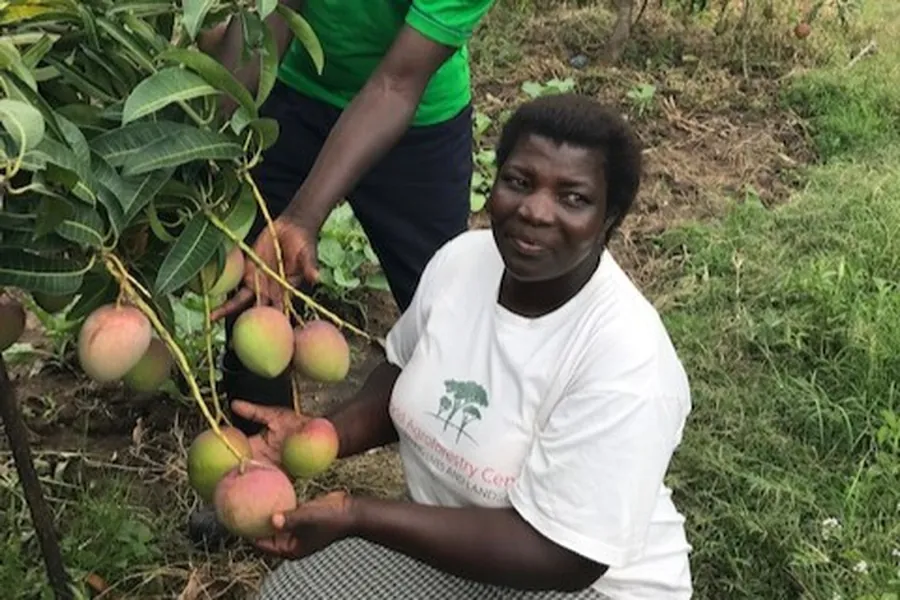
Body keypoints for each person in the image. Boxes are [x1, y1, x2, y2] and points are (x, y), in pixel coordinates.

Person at [230, 93, 695, 599]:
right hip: (462, 547)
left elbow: (564, 559)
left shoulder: (627, 358)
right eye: (519, 182)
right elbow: (404, 371)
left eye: (573, 197)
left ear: (609, 220)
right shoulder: (463, 261)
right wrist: (323, 432)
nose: (535, 211)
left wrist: (357, 515)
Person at [188, 0, 498, 545]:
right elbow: (276, 14)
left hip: (416, 114)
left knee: (447, 307)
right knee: (257, 287)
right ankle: (256, 474)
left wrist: (305, 215)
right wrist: (200, 147)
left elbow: (397, 83)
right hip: (294, 91)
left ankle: (471, 488)